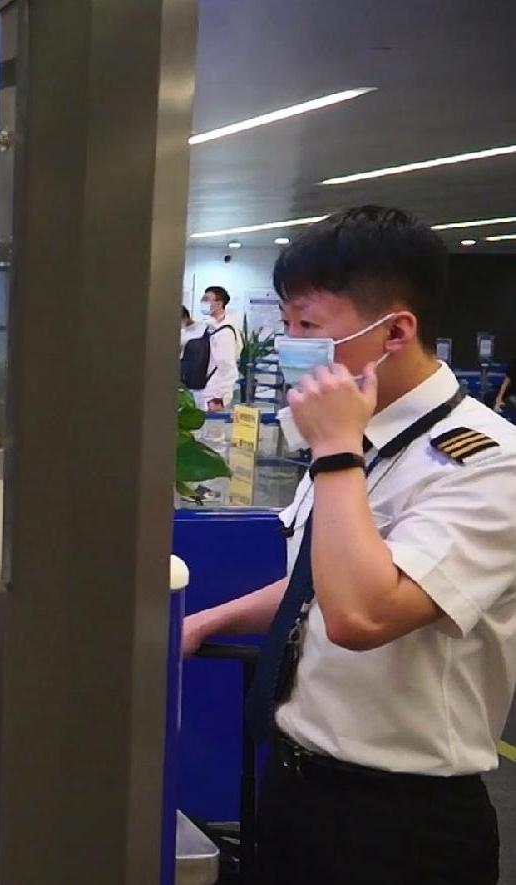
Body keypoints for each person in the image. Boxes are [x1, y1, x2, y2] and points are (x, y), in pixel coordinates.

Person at [181, 207, 516, 885]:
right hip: (295, 784)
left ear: (395, 332)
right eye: (285, 322)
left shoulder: (486, 462)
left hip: (400, 821)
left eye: (308, 325)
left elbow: (363, 614)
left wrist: (334, 452)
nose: (288, 343)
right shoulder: (357, 437)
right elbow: (318, 580)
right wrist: (207, 621)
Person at [187, 285, 239, 411]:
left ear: (219, 304)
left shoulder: (225, 332)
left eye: (206, 300)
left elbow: (227, 366)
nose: (202, 302)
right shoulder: (210, 326)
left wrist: (218, 397)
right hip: (202, 387)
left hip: (212, 395)